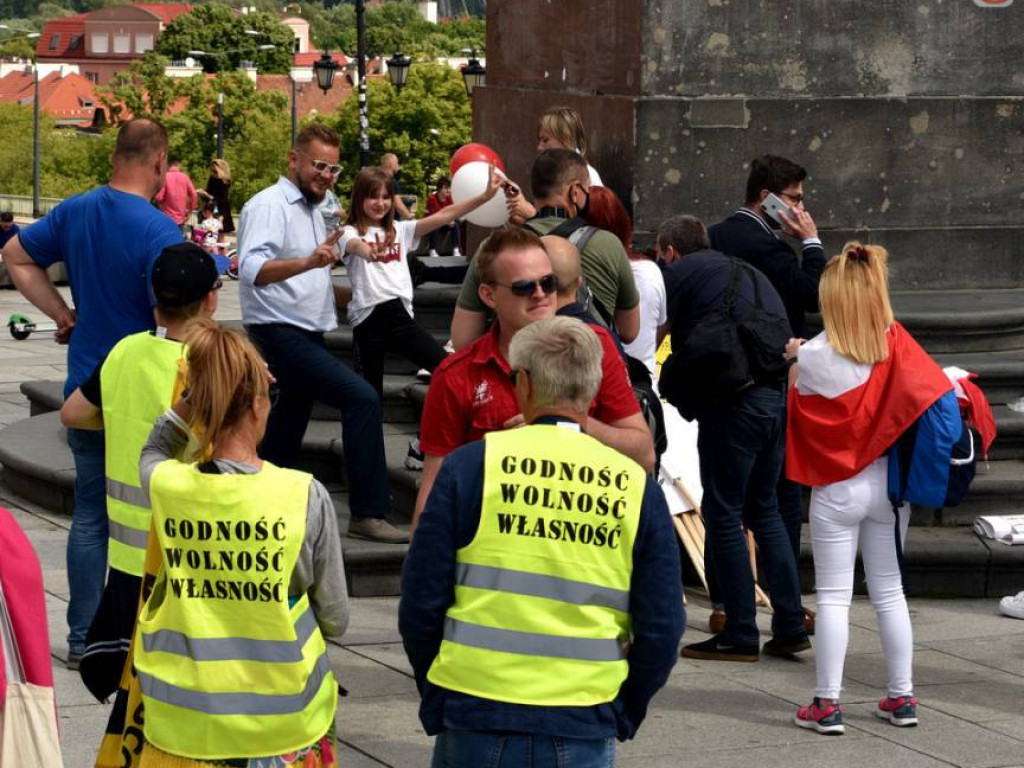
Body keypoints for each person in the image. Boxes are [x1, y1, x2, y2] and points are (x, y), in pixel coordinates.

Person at [400, 316, 684, 766]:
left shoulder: (472, 467)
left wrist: (438, 695)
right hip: (582, 714)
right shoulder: (634, 486)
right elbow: (663, 624)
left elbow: (421, 601)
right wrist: (623, 711)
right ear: (592, 392)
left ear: (523, 385)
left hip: (476, 706)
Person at [3, 118, 184, 668]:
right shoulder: (159, 231)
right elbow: (175, 316)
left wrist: (63, 313)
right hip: (146, 393)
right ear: (158, 162)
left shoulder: (77, 209)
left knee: (91, 516)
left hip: (86, 388)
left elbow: (15, 255)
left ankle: (82, 636)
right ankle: (144, 629)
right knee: (154, 514)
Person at [133, 318, 347, 766]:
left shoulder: (169, 487)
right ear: (257, 404)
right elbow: (335, 617)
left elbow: (155, 447)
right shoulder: (303, 494)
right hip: (283, 730)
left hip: (183, 730)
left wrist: (199, 394)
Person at [786, 243, 954, 734]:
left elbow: (799, 399)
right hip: (888, 485)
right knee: (890, 592)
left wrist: (796, 355)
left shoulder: (814, 356)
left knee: (834, 597)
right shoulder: (898, 343)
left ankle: (827, 704)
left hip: (837, 488)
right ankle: (902, 698)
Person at [59, 243, 222, 701]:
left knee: (134, 686)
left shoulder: (125, 351)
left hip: (129, 557)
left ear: (155, 300)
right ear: (210, 300)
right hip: (189, 552)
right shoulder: (211, 365)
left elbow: (72, 414)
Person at [415, 227, 654, 530]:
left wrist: (570, 424)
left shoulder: (595, 347)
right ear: (489, 295)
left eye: (548, 283)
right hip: (495, 550)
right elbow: (432, 494)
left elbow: (643, 454)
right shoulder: (456, 376)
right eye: (524, 287)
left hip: (581, 542)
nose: (540, 294)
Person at [238, 123, 408, 544]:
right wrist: (310, 264)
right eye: (318, 166)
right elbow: (251, 271)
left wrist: (365, 293)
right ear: (293, 160)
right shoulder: (269, 206)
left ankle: (255, 499)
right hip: (277, 330)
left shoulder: (323, 206)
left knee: (289, 419)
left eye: (333, 169)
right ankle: (368, 513)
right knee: (361, 397)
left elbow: (318, 268)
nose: (327, 177)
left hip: (306, 328)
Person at [659, 215, 809, 663]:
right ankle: (788, 623)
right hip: (773, 400)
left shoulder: (680, 272)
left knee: (723, 512)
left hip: (732, 405)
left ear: (669, 251)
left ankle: (740, 631)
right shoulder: (752, 274)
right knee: (764, 509)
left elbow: (647, 330)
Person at [709, 155, 826, 633]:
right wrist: (812, 242)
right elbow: (816, 293)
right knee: (771, 504)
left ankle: (726, 605)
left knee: (725, 504)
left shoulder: (716, 235)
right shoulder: (771, 248)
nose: (800, 209)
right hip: (769, 381)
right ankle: (787, 612)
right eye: (794, 199)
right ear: (767, 199)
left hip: (723, 379)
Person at [451, 148, 641, 349]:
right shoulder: (608, 244)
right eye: (588, 191)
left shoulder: (493, 249)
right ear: (575, 192)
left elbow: (464, 339)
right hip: (589, 370)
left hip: (516, 374)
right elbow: (630, 331)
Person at [339, 164, 501, 398]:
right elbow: (355, 246)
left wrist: (484, 197)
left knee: (445, 367)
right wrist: (369, 252)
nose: (380, 203)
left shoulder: (399, 230)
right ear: (359, 198)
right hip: (367, 318)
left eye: (386, 197)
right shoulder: (349, 232)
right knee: (368, 395)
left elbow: (445, 215)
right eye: (373, 196)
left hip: (398, 314)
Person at [584, 187, 667, 377]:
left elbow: (631, 333)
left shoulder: (584, 272)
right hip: (642, 383)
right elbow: (658, 328)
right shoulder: (651, 270)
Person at [536, 105, 604, 187]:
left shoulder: (587, 175)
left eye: (545, 140)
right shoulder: (553, 171)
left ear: (566, 140)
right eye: (539, 140)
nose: (539, 147)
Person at [154, 154, 198, 236]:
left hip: (166, 217)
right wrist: (189, 212)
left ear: (168, 164)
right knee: (178, 243)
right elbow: (194, 195)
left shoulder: (165, 177)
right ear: (179, 164)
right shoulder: (185, 177)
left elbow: (158, 197)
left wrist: (161, 206)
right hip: (181, 218)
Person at [425, 177, 462, 257]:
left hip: (445, 223)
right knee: (435, 225)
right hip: (432, 223)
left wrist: (451, 220)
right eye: (446, 188)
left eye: (449, 188)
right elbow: (433, 217)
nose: (448, 190)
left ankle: (456, 249)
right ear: (439, 189)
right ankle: (432, 249)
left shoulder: (449, 198)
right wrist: (447, 221)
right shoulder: (432, 199)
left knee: (456, 224)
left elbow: (453, 212)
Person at [381, 152, 416, 220]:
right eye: (397, 163)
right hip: (390, 222)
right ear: (390, 164)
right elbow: (397, 204)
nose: (398, 165)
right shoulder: (391, 182)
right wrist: (410, 217)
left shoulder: (378, 179)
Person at [203, 158, 234, 234]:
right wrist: (203, 194)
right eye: (212, 170)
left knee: (220, 234)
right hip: (210, 209)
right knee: (210, 234)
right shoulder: (212, 179)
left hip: (221, 209)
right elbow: (208, 194)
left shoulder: (225, 181)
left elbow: (222, 198)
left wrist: (208, 195)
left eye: (215, 171)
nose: (213, 173)